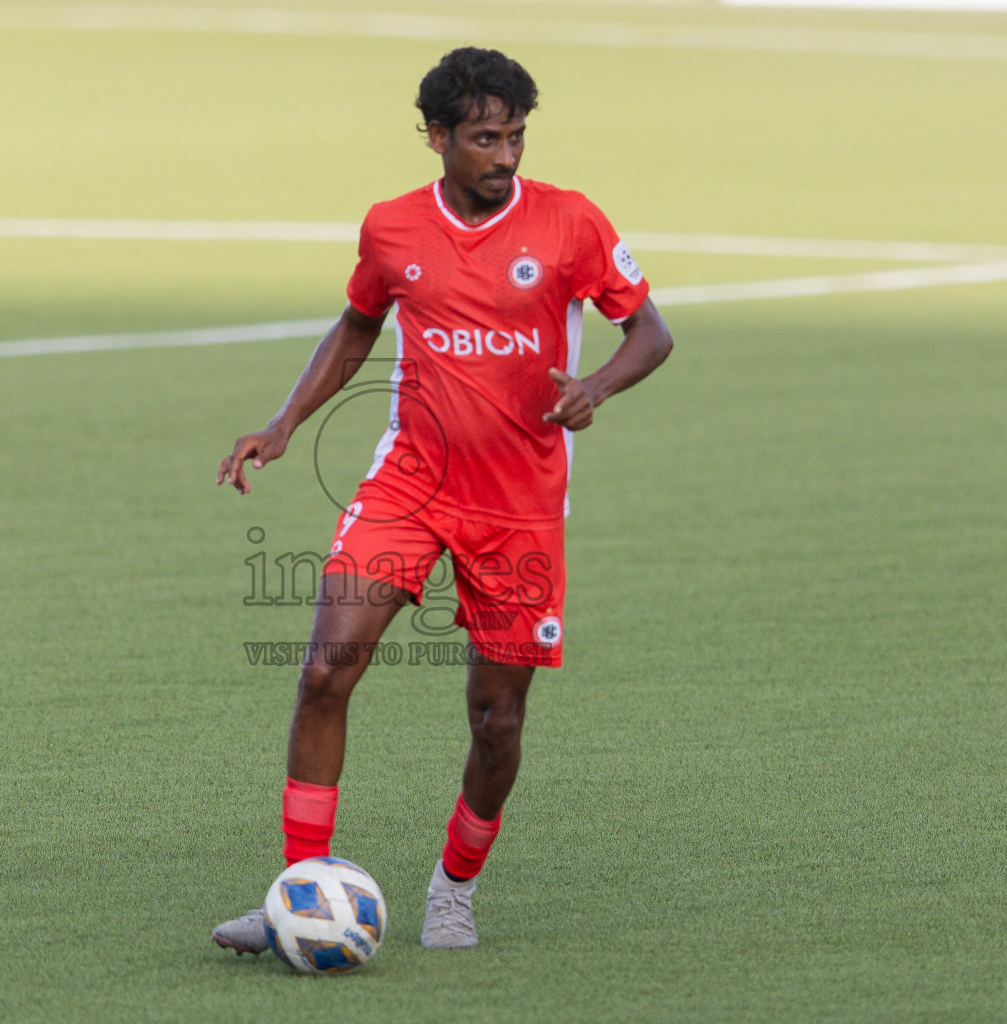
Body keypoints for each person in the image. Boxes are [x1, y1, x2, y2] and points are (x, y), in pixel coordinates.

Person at [212, 47, 673, 952]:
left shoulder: (571, 223)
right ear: (437, 139)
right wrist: (285, 422)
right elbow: (355, 326)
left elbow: (651, 334)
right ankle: (299, 892)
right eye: (484, 139)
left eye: (515, 138)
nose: (504, 158)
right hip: (408, 487)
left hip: (520, 509)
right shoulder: (391, 230)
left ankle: (454, 887)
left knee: (496, 720)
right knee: (321, 673)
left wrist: (598, 387)